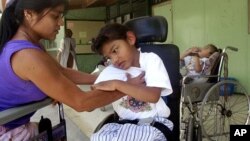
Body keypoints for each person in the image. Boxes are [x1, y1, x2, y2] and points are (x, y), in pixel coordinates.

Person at [0, 0, 144, 140]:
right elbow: (82, 102)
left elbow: (62, 72)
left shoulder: (29, 45)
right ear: (29, 14)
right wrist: (127, 87)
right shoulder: (27, 55)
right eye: (55, 16)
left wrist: (103, 77)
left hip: (18, 125)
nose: (61, 23)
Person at [90, 23, 173, 141]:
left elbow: (153, 96)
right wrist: (96, 89)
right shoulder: (111, 71)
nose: (114, 60)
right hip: (122, 126)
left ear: (130, 39)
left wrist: (117, 84)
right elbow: (90, 103)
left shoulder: (150, 60)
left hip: (153, 124)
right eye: (108, 58)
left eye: (115, 50)